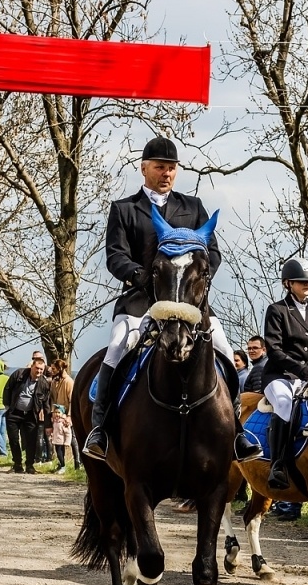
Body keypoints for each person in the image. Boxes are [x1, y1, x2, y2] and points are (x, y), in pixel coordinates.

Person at [82, 136, 257, 462]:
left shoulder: (192, 208)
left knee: (222, 347)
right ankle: (101, 429)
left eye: (171, 168)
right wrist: (140, 276)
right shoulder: (124, 210)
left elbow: (212, 254)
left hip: (190, 303)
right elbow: (115, 256)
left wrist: (195, 286)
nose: (166, 173)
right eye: (160, 167)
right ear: (144, 168)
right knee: (119, 346)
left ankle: (238, 433)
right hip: (140, 301)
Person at [262, 258, 308, 489]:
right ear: (288, 283)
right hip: (279, 375)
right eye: (302, 281)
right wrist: (301, 368)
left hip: (307, 376)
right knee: (284, 403)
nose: (307, 285)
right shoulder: (277, 310)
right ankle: (278, 464)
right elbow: (274, 349)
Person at [4, 353, 52, 474]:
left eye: (41, 369)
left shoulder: (44, 384)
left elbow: (46, 405)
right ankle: (17, 464)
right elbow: (8, 389)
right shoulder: (19, 374)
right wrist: (8, 407)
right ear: (32, 367)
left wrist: (48, 424)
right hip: (14, 412)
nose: (39, 371)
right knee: (14, 439)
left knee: (32, 441)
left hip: (31, 414)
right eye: (37, 368)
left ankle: (30, 465)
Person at [47, 404, 74, 472]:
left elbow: (68, 433)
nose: (57, 414)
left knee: (60, 454)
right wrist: (51, 437)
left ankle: (63, 466)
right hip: (56, 441)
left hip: (61, 442)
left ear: (62, 413)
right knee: (58, 454)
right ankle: (60, 465)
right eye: (55, 412)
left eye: (59, 412)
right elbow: (54, 431)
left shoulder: (64, 422)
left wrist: (67, 442)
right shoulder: (55, 421)